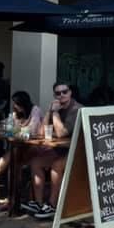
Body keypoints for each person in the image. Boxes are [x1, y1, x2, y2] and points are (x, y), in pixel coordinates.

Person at [23, 82, 82, 219]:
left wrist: (54, 112)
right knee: (36, 162)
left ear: (70, 92)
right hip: (62, 150)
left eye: (64, 92)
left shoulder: (77, 109)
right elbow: (42, 132)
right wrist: (49, 112)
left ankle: (52, 205)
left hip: (79, 153)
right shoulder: (57, 109)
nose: (61, 95)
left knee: (56, 165)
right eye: (58, 93)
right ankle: (38, 203)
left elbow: (61, 133)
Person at [0, 91, 42, 194]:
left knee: (12, 155)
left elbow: (32, 130)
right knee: (13, 156)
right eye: (14, 103)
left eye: (16, 103)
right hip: (20, 146)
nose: (14, 106)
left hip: (34, 147)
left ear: (23, 103)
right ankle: (12, 195)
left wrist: (14, 130)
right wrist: (8, 126)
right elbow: (6, 127)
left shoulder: (35, 110)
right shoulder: (16, 113)